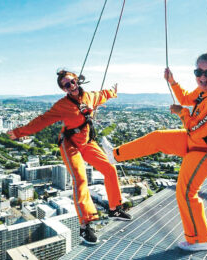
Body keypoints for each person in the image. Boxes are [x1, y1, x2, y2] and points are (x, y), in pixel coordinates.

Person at [102, 47, 207, 251]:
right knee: (157, 138)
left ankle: (199, 239)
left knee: (185, 192)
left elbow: (194, 128)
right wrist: (172, 81)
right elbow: (186, 99)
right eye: (198, 72)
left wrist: (182, 114)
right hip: (197, 142)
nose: (202, 77)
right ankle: (115, 156)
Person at [7, 69, 132, 245]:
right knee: (80, 179)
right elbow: (41, 121)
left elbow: (102, 95)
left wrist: (113, 92)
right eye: (66, 85)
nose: (71, 86)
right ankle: (85, 225)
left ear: (77, 80)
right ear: (64, 89)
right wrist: (19, 132)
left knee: (110, 169)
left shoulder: (90, 96)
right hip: (70, 144)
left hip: (87, 141)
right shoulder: (62, 105)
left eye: (72, 81)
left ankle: (114, 208)